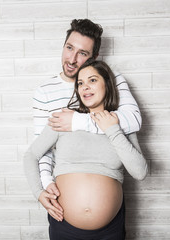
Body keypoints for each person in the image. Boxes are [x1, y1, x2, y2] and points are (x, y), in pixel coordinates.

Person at [25, 59, 148, 239]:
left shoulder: (121, 123)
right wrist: (38, 192)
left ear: (107, 84)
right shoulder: (64, 119)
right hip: (64, 226)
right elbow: (31, 155)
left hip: (110, 230)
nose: (85, 87)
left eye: (92, 80)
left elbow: (140, 172)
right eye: (80, 83)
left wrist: (112, 129)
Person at [33, 19, 142, 222]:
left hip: (110, 214)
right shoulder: (44, 91)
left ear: (94, 57)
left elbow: (133, 120)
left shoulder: (111, 79)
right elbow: (39, 149)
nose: (72, 59)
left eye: (82, 53)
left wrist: (77, 122)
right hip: (63, 207)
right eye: (69, 48)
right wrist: (45, 185)